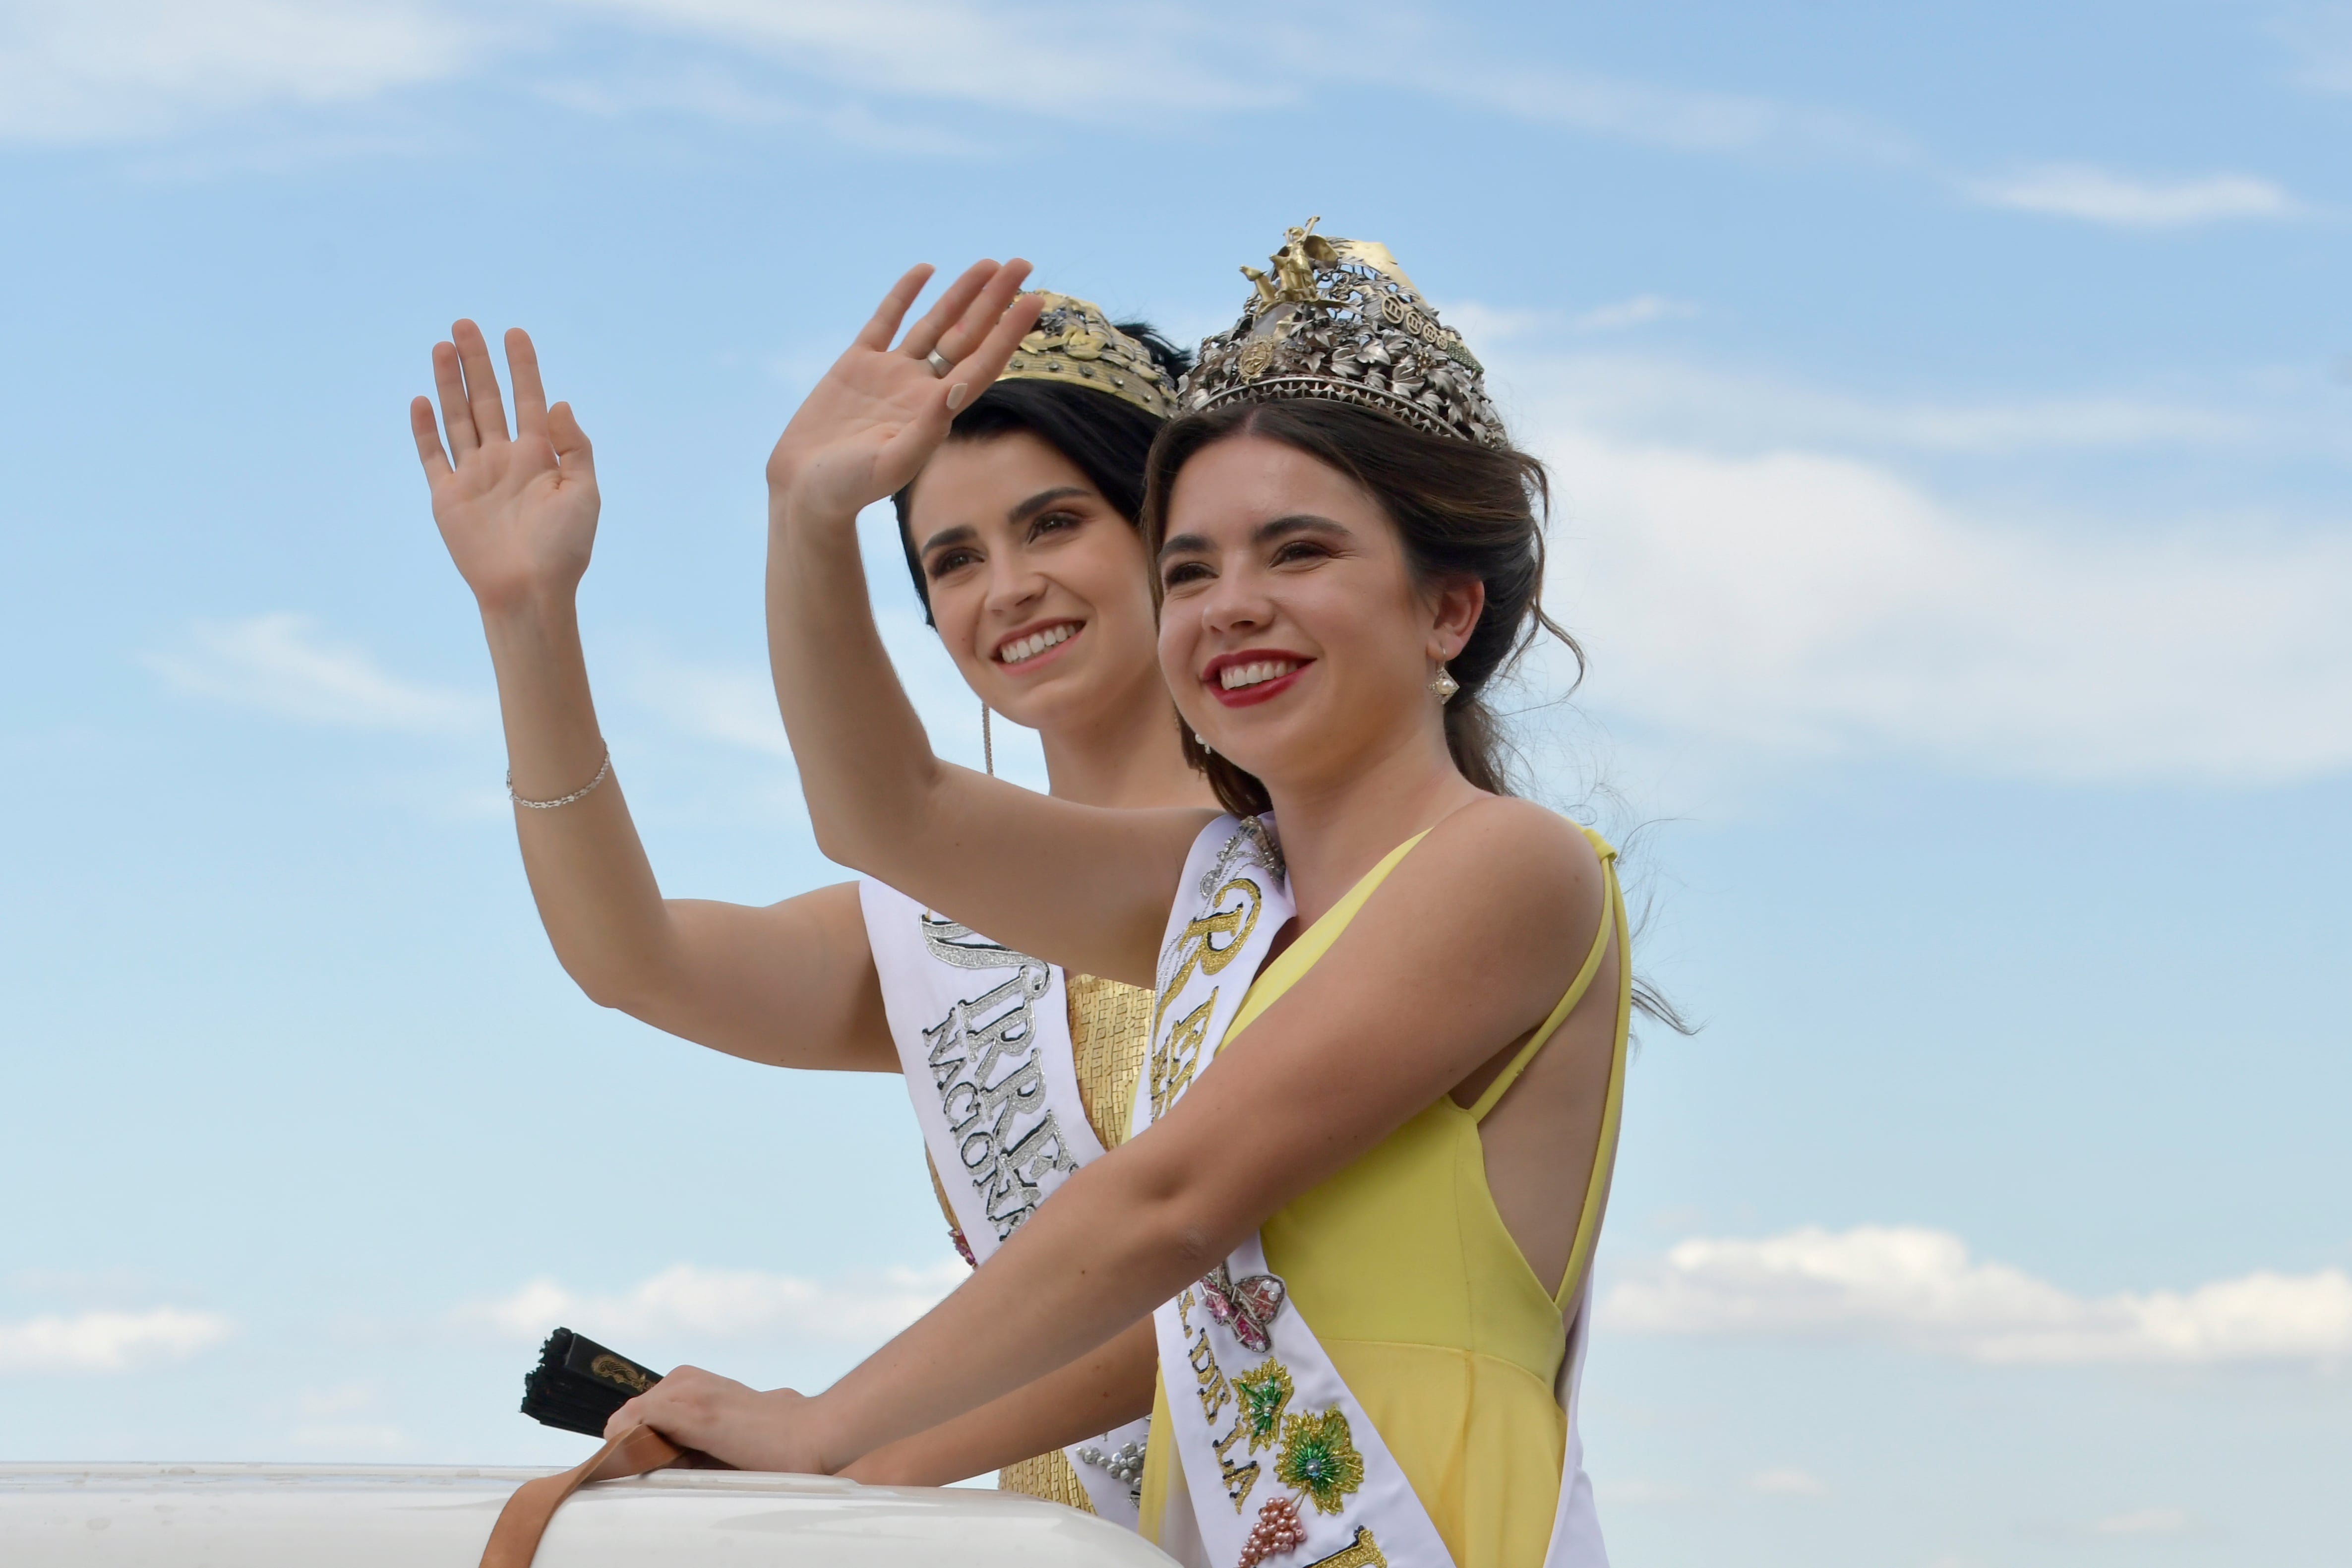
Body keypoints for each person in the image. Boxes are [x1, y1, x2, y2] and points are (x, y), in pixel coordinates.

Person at [613, 236, 1633, 1568]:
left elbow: (1172, 1199)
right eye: (1193, 570)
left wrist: (822, 1428)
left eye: (1300, 551)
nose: (1234, 608)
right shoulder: (1212, 891)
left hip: (1427, 1512)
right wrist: (809, 522)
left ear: (1448, 608)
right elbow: (886, 816)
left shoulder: (1511, 865)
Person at [405, 280, 1211, 1517]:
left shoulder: (1296, 863)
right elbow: (634, 960)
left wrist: (851, 1455)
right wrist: (528, 619)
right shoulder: (938, 931)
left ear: (1168, 536)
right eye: (952, 559)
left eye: (1052, 524)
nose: (1006, 588)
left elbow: (1233, 1287)